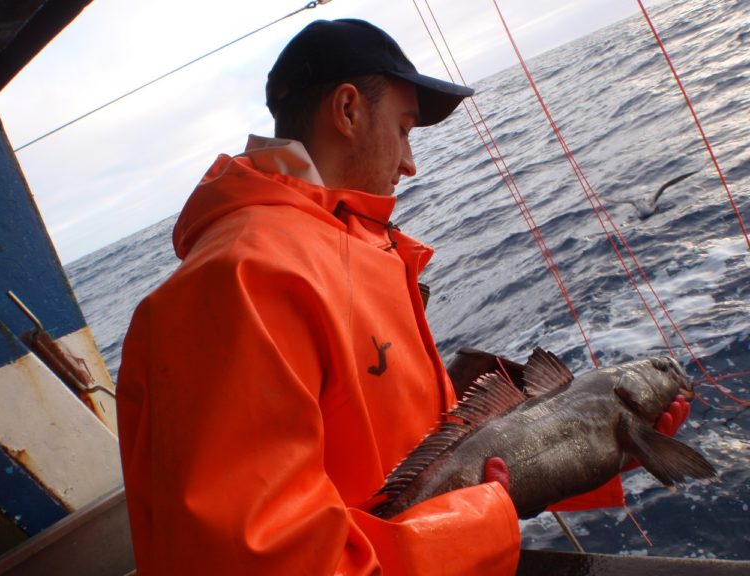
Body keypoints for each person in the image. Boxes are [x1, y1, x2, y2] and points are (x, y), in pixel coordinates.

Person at [117, 18, 689, 575]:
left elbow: (433, 461)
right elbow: (254, 559)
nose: (411, 164)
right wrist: (482, 524)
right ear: (347, 110)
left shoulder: (350, 252)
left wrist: (603, 446)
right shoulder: (239, 280)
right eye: (405, 129)